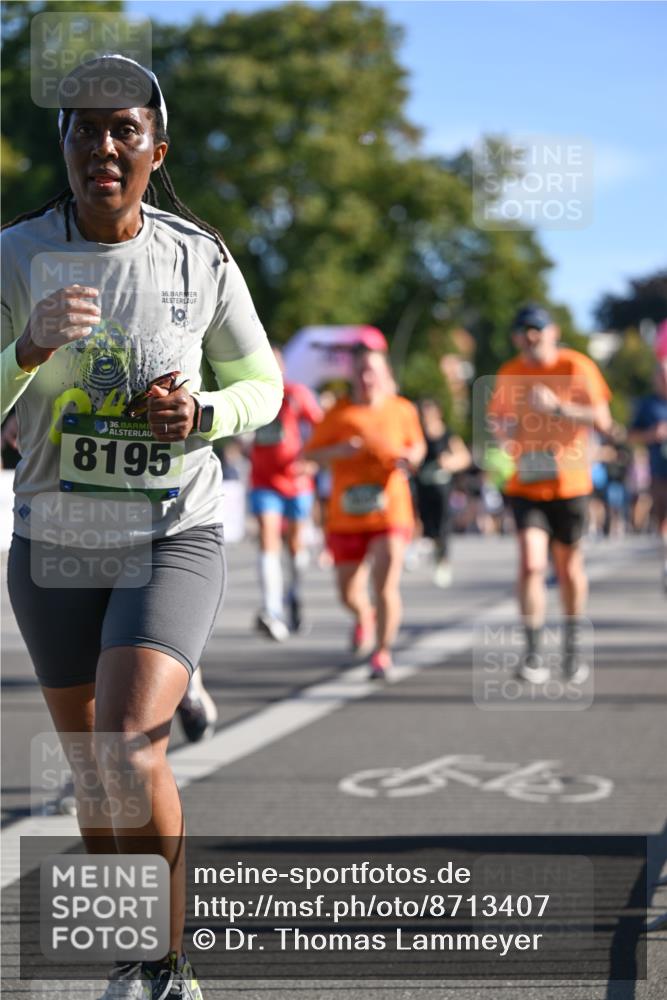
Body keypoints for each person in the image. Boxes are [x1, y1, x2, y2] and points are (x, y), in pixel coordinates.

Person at [1, 55, 283, 1000]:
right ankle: (134, 953)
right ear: (67, 150)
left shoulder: (197, 256)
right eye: (85, 130)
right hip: (56, 536)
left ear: (156, 151)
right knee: (93, 770)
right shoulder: (13, 254)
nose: (104, 146)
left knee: (130, 742)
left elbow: (266, 387)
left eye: (124, 130)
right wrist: (25, 348)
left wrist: (203, 414)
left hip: (173, 529)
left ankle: (168, 966)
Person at [488, 304, 612, 684]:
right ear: (515, 336)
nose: (530, 336)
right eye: (523, 329)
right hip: (526, 482)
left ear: (553, 331)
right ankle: (533, 653)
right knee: (530, 564)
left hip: (569, 482)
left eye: (537, 328)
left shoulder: (577, 366)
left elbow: (603, 421)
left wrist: (559, 407)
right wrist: (501, 436)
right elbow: (499, 419)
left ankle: (572, 649)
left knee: (569, 567)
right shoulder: (510, 373)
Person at [305, 346, 425, 678]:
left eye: (373, 370)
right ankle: (363, 615)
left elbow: (417, 446)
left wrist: (410, 457)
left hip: (390, 513)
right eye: (360, 371)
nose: (367, 377)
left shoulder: (401, 410)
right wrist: (339, 451)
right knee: (347, 593)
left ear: (385, 374)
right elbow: (310, 454)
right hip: (345, 517)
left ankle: (382, 653)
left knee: (385, 585)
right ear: (352, 376)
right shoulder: (339, 414)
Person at [249, 345, 322, 639]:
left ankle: (295, 594)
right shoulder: (251, 394)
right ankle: (271, 609)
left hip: (296, 482)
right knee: (268, 537)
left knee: (295, 545)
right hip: (264, 482)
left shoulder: (296, 395)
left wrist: (312, 459)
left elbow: (321, 427)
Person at [414, 399, 471, 587]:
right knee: (424, 521)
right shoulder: (418, 434)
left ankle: (443, 561)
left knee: (443, 525)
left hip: (442, 487)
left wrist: (450, 462)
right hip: (422, 486)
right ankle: (425, 548)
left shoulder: (447, 434)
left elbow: (464, 457)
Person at [628, 357, 667, 591]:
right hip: (659, 473)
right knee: (661, 521)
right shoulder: (648, 405)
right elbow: (631, 435)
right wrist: (652, 434)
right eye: (661, 374)